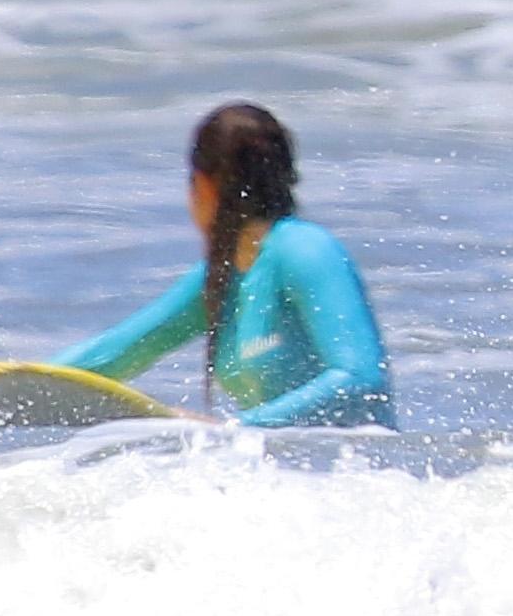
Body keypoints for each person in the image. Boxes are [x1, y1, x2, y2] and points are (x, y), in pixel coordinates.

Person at [54, 101, 395, 428]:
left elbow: (360, 379)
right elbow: (117, 353)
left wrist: (235, 428)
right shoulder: (224, 276)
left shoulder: (306, 250)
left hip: (362, 476)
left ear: (205, 185)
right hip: (293, 478)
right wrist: (18, 379)